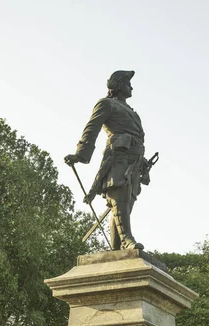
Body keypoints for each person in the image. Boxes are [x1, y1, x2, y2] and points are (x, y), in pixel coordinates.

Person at [64, 70, 151, 250]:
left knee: (125, 204)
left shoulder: (132, 112)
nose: (131, 87)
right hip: (118, 157)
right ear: (118, 85)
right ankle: (127, 239)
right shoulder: (106, 104)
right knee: (119, 198)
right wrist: (80, 154)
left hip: (134, 161)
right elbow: (92, 127)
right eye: (128, 84)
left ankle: (116, 248)